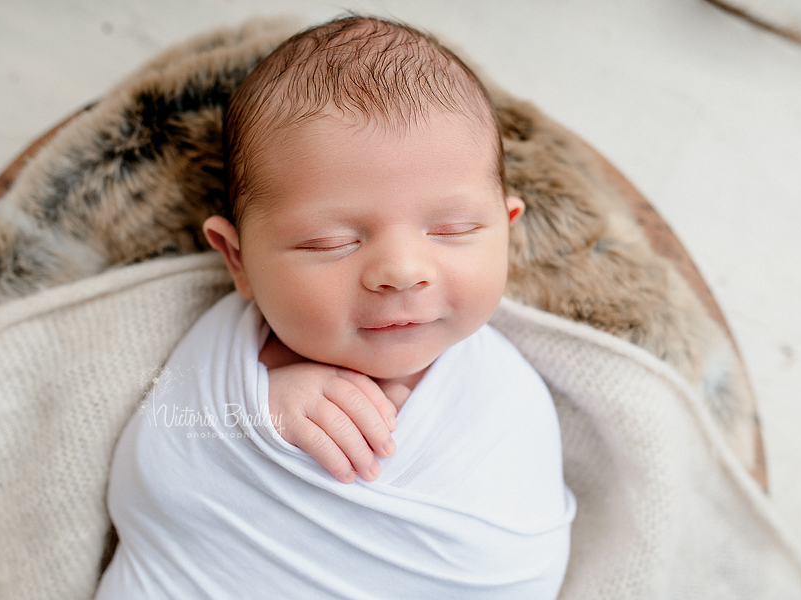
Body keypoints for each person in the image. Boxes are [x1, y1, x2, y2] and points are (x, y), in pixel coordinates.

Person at [95, 16, 575, 599]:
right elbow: (152, 474)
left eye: (452, 230)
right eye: (332, 242)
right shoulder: (225, 353)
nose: (401, 271)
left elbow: (515, 562)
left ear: (506, 228)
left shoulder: (506, 398)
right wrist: (260, 408)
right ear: (237, 260)